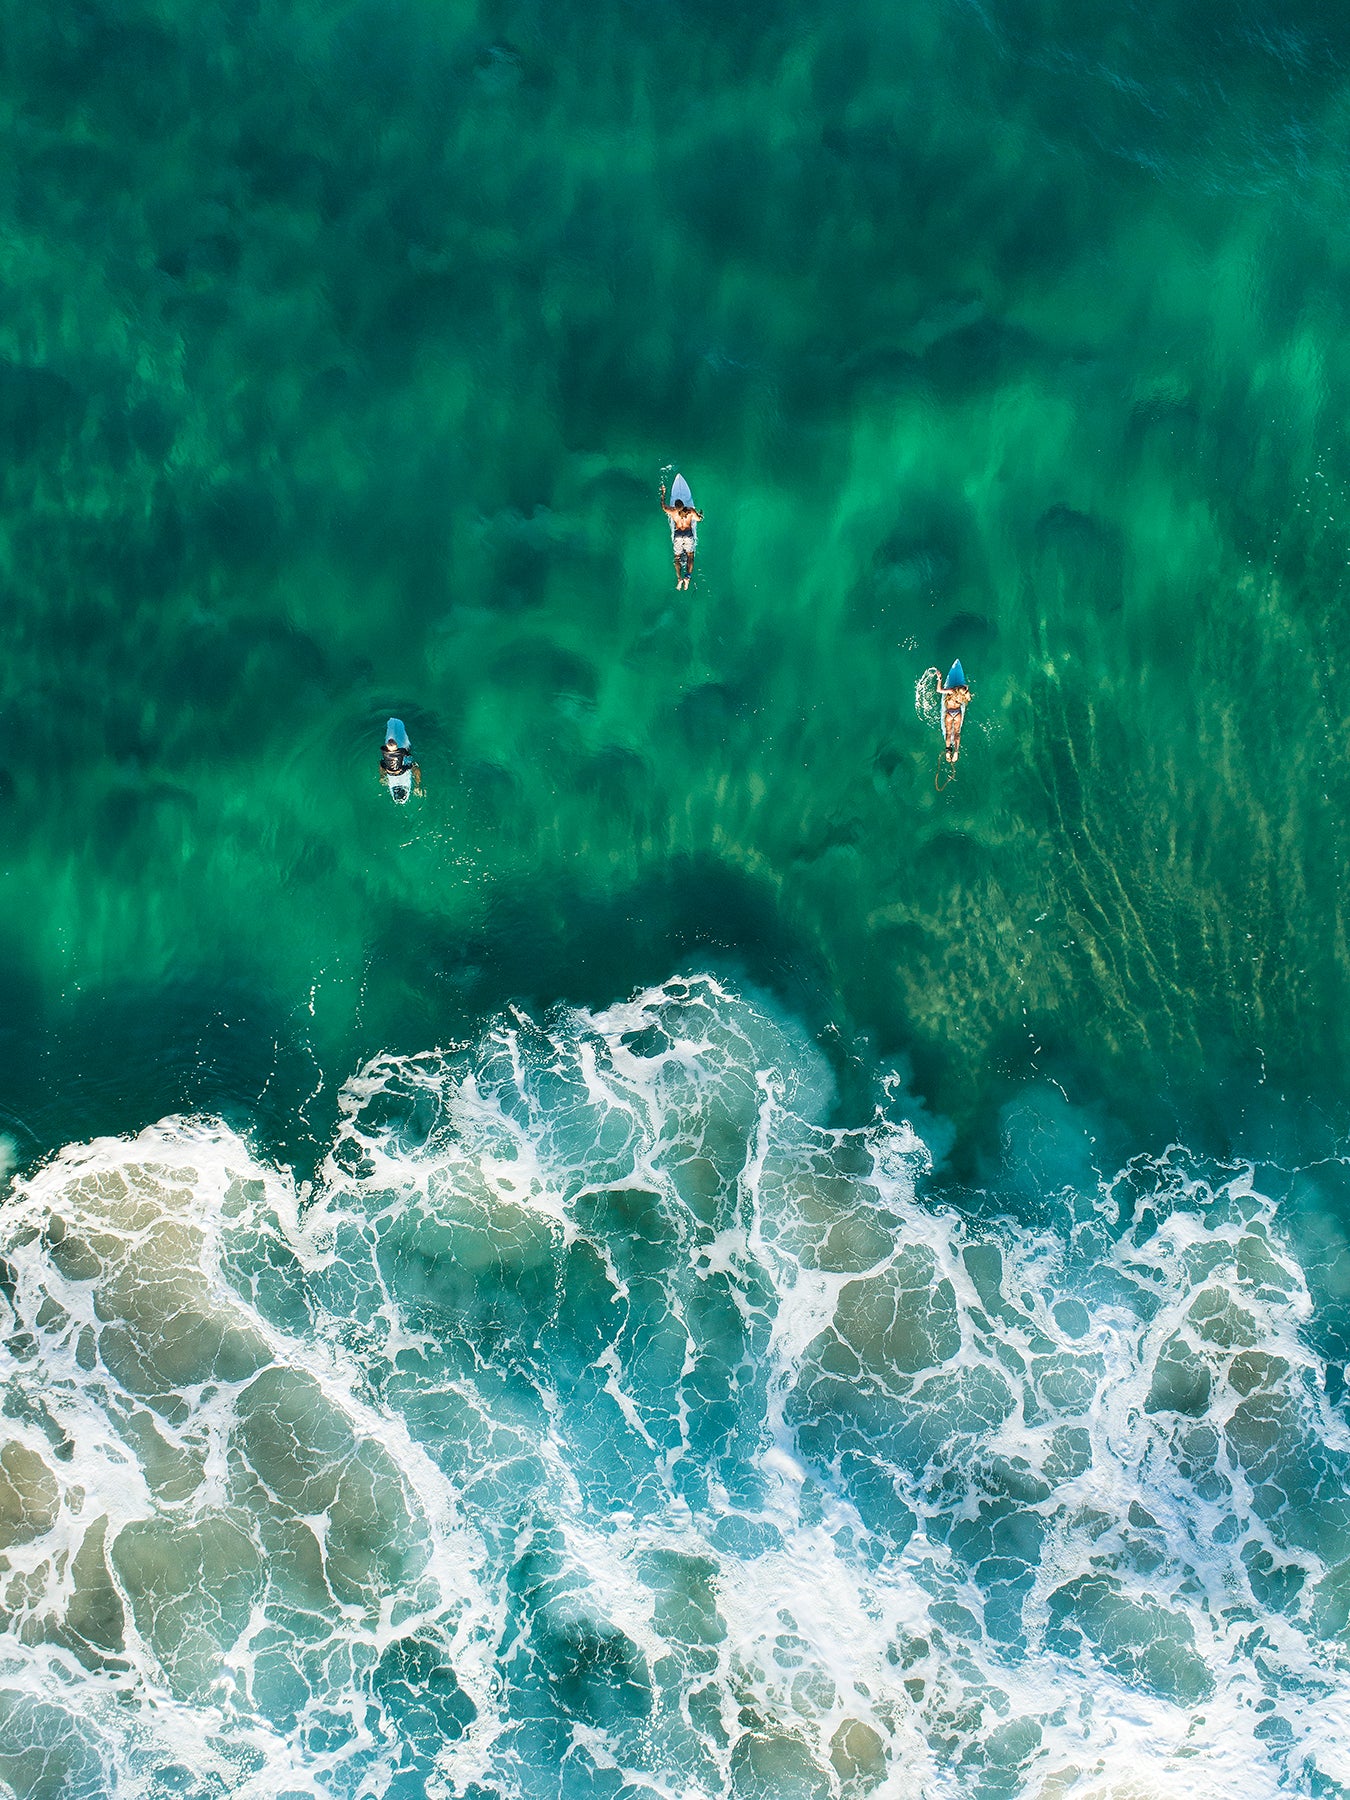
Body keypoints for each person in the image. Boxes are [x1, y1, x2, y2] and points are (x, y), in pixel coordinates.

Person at [660, 482, 703, 590]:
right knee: (690, 556)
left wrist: (663, 493)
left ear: (675, 506)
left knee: (677, 558)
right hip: (688, 535)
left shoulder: (673, 511)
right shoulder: (690, 511)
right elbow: (699, 519)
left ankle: (679, 578)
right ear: (683, 505)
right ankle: (687, 578)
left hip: (678, 535)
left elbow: (663, 506)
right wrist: (700, 514)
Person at [936, 669, 971, 764]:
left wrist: (940, 679)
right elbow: (969, 699)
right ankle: (956, 751)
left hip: (949, 713)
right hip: (958, 713)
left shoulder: (952, 691)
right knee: (957, 733)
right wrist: (966, 690)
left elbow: (938, 690)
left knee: (948, 733)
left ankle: (948, 751)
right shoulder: (964, 694)